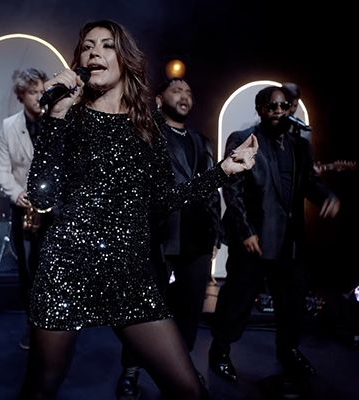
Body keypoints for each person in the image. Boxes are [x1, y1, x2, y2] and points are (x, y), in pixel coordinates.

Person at [19, 20, 257, 400]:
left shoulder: (146, 124)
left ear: (125, 59)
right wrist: (56, 116)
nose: (94, 52)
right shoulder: (67, 117)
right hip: (67, 267)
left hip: (129, 273)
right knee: (41, 387)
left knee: (189, 391)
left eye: (106, 45)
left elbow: (162, 201)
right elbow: (42, 195)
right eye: (87, 46)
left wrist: (223, 171)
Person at [208, 85, 341, 383]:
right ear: (260, 110)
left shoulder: (300, 145)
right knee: (238, 298)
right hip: (254, 238)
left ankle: (288, 351)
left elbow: (309, 183)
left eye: (283, 106)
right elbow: (233, 189)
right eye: (271, 106)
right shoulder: (244, 139)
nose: (278, 112)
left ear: (291, 108)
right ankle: (220, 351)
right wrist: (246, 231)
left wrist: (327, 196)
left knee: (292, 300)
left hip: (289, 240)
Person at [115, 77, 222, 399]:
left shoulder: (201, 141)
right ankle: (131, 370)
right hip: (157, 236)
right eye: (177, 90)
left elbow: (210, 188)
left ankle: (182, 368)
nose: (184, 95)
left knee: (190, 309)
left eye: (189, 91)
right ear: (159, 99)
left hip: (197, 238)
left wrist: (215, 232)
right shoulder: (146, 133)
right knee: (146, 308)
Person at [0, 68, 50, 350]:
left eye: (42, 91)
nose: (39, 97)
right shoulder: (9, 126)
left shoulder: (58, 120)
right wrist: (17, 195)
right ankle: (33, 325)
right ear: (20, 96)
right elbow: (2, 169)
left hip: (55, 210)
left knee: (53, 269)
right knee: (28, 271)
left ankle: (55, 328)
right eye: (33, 92)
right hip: (24, 209)